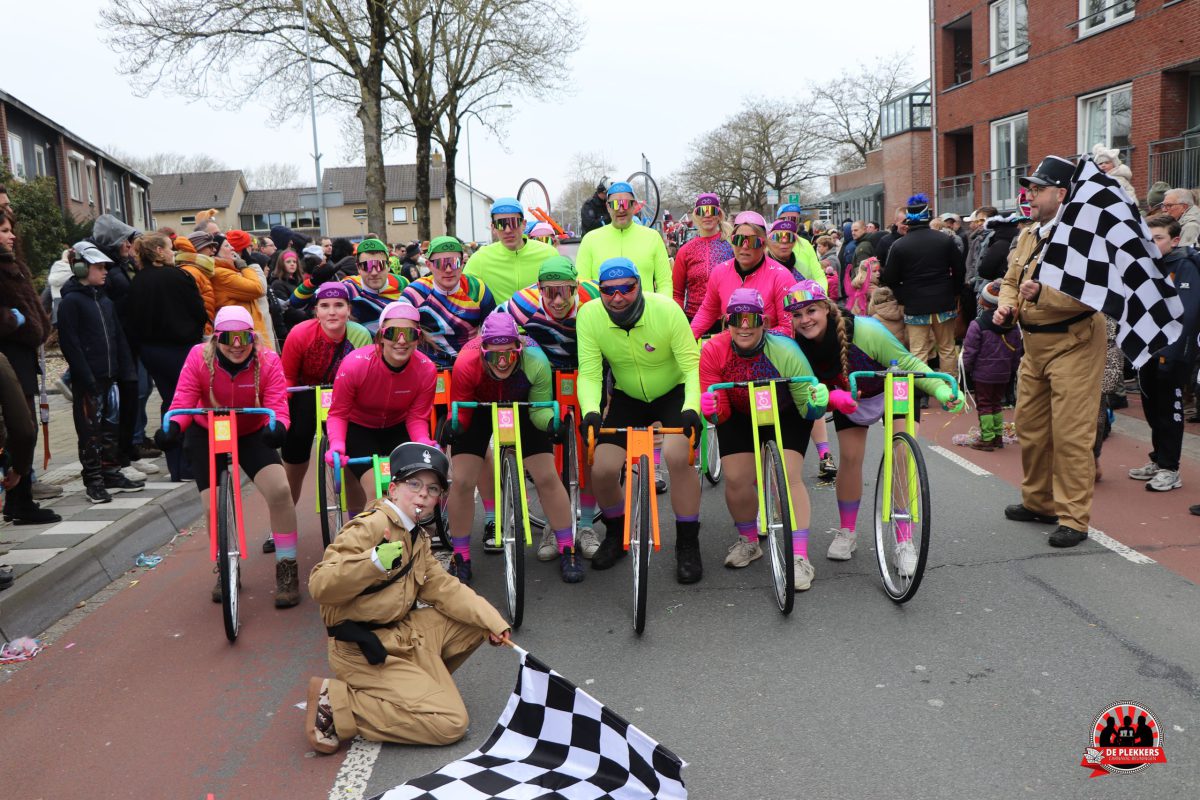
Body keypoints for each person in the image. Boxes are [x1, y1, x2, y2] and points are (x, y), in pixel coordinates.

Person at [304, 441, 511, 755]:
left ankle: (415, 689)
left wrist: (493, 621)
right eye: (414, 484)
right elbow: (320, 585)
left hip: (398, 634)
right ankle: (338, 703)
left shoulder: (417, 536)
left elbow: (444, 588)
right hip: (361, 649)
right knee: (450, 723)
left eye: (432, 489)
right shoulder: (373, 525)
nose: (423, 494)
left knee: (476, 623)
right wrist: (373, 562)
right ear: (393, 489)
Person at [785, 280, 963, 575]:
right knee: (850, 458)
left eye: (811, 311)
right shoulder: (798, 346)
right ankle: (847, 531)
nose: (805, 320)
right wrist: (829, 399)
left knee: (901, 457)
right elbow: (808, 395)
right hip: (851, 397)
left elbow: (908, 362)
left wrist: (942, 389)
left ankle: (904, 541)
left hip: (893, 387)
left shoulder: (865, 330)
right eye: (797, 315)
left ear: (826, 308)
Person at [995, 155, 1106, 548]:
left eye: (1038, 188)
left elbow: (1092, 296)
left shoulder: (1084, 236)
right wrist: (1006, 307)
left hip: (1074, 343)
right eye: (1030, 188)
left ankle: (1074, 518)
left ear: (1061, 194)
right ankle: (1039, 502)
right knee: (1030, 426)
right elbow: (1011, 280)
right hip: (1034, 344)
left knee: (1071, 434)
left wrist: (1043, 293)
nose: (1030, 194)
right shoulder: (1030, 233)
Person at [157, 306, 298, 606]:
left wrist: (278, 428)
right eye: (228, 338)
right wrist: (173, 427)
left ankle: (287, 566)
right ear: (215, 339)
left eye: (244, 337)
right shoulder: (198, 357)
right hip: (207, 428)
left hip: (251, 429)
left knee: (280, 490)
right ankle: (226, 565)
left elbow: (278, 404)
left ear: (253, 338)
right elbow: (182, 400)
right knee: (213, 506)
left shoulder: (268, 359)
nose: (236, 345)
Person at [577, 257, 704, 583]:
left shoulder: (666, 310)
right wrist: (591, 411)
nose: (617, 297)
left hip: (674, 392)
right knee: (602, 468)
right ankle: (616, 533)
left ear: (640, 286)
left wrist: (692, 407)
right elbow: (589, 372)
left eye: (627, 288)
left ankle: (688, 542)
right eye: (609, 290)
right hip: (628, 396)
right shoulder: (589, 315)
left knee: (678, 456)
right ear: (600, 291)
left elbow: (692, 367)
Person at [699, 289, 828, 590]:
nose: (744, 326)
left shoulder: (786, 350)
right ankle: (748, 541)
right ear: (727, 321)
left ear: (764, 322)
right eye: (737, 319)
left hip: (786, 412)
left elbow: (807, 407)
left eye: (751, 319)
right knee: (736, 478)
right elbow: (719, 413)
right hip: (739, 413)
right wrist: (713, 411)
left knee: (788, 476)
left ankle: (799, 557)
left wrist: (817, 404)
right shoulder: (713, 349)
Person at [442, 313, 579, 584]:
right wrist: (454, 426)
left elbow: (539, 411)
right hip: (477, 408)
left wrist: (552, 423)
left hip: (526, 405)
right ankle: (461, 556)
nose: (502, 362)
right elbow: (462, 413)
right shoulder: (466, 362)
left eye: (509, 355)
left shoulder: (536, 361)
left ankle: (568, 549)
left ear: (519, 348)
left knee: (546, 476)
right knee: (462, 480)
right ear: (483, 351)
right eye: (494, 356)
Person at [496, 255, 602, 559]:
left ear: (576, 287)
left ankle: (586, 525)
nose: (557, 300)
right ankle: (554, 527)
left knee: (589, 448)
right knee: (549, 453)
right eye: (549, 292)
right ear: (539, 288)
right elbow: (494, 331)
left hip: (588, 370)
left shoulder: (594, 297)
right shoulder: (522, 303)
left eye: (564, 291)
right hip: (543, 374)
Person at [324, 302, 437, 518]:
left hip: (397, 426)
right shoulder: (355, 364)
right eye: (393, 333)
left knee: (408, 490)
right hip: (358, 427)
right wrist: (337, 444)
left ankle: (405, 532)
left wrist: (422, 441)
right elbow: (338, 413)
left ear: (418, 338)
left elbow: (417, 417)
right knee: (378, 490)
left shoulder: (426, 369)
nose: (401, 341)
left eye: (409, 334)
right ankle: (364, 531)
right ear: (381, 336)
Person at [56, 243, 143, 503]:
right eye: (99, 267)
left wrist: (126, 372)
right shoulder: (71, 302)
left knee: (110, 429)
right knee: (90, 432)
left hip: (111, 377)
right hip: (89, 380)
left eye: (106, 266)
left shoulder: (105, 301)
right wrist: (86, 377)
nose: (105, 271)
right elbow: (70, 344)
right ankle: (93, 481)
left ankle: (110, 472)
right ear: (81, 268)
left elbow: (118, 338)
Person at [278, 282, 372, 508]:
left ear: (349, 309)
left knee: (354, 458)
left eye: (339, 305)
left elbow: (365, 380)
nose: (332, 312)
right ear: (316, 311)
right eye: (325, 306)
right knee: (296, 446)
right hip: (305, 394)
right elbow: (287, 378)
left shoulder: (360, 336)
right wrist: (281, 415)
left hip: (346, 396)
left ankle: (357, 519)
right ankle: (285, 515)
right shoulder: (299, 334)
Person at [1127, 215, 1200, 492]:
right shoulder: (1147, 265)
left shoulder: (1184, 266)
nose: (1152, 243)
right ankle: (1158, 459)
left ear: (1175, 240)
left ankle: (1170, 468)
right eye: (1148, 238)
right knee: (1152, 408)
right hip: (1147, 350)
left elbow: (1187, 314)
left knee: (1170, 411)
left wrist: (1171, 352)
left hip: (1172, 352)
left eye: (1158, 238)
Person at [128, 233, 208, 482]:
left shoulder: (138, 281)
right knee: (188, 401)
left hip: (152, 351)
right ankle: (189, 462)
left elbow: (133, 320)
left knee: (169, 402)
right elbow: (199, 312)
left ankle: (175, 464)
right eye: (170, 248)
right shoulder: (179, 277)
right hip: (182, 349)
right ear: (159, 251)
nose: (173, 252)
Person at [0, 210, 61, 524]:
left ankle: (18, 500)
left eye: (11, 230)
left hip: (23, 356)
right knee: (20, 428)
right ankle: (19, 499)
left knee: (25, 428)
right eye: (4, 230)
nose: (11, 236)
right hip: (7, 355)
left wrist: (37, 324)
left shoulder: (14, 265)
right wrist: (13, 320)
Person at [880, 195, 964, 377]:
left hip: (915, 304)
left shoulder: (899, 245)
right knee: (947, 348)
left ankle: (922, 389)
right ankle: (950, 387)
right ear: (928, 218)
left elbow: (890, 277)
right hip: (944, 301)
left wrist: (903, 297)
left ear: (908, 221)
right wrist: (954, 293)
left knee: (918, 351)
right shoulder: (945, 240)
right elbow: (960, 270)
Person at [688, 211, 795, 338]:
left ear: (764, 244)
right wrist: (687, 339)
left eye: (752, 241)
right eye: (738, 239)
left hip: (769, 347)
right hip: (730, 345)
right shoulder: (719, 272)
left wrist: (749, 340)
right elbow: (707, 312)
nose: (744, 246)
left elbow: (789, 327)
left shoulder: (782, 277)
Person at [403, 236, 496, 368]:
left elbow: (494, 329)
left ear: (462, 264)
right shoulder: (415, 292)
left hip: (470, 362)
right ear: (429, 265)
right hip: (429, 365)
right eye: (440, 263)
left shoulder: (477, 288)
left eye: (454, 262)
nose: (448, 269)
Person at [575, 181, 672, 295]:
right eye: (615, 204)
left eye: (626, 204)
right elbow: (582, 286)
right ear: (608, 207)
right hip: (601, 307)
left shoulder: (653, 237)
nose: (621, 209)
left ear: (634, 205)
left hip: (645, 306)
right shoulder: (590, 240)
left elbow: (664, 283)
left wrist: (660, 306)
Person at [293, 238, 406, 333]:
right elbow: (296, 303)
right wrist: (312, 282)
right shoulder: (348, 287)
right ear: (358, 268)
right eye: (366, 266)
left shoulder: (403, 284)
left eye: (380, 265)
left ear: (388, 265)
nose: (374, 272)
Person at [961, 280, 1023, 451]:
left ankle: (987, 438)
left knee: (984, 404)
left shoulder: (978, 324)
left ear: (983, 301)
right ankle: (997, 436)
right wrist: (1012, 369)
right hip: (1004, 372)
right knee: (996, 403)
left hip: (983, 373)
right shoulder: (1013, 326)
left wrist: (966, 368)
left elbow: (970, 350)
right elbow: (1017, 350)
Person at [462, 199, 558, 306]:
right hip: (498, 317)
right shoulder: (480, 258)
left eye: (513, 222)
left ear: (524, 224)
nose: (507, 230)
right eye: (500, 224)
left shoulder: (549, 254)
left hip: (540, 316)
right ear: (493, 228)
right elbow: (461, 294)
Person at [671, 193, 733, 325]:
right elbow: (677, 293)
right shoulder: (685, 250)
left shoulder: (732, 246)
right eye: (702, 211)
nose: (707, 215)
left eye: (712, 210)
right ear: (696, 216)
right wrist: (679, 322)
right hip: (693, 319)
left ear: (719, 214)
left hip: (727, 321)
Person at [767, 218, 826, 291]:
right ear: (769, 242)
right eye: (778, 237)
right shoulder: (763, 267)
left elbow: (819, 276)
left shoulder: (800, 268)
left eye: (790, 237)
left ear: (794, 242)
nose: (784, 241)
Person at [172, 235, 216, 332]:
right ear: (197, 249)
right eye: (209, 246)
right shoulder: (191, 271)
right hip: (200, 331)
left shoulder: (198, 270)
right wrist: (205, 331)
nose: (214, 250)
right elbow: (191, 308)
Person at [814, 235, 841, 302]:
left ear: (826, 247)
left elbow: (832, 281)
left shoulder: (831, 260)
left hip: (831, 295)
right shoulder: (827, 257)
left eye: (819, 246)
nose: (817, 248)